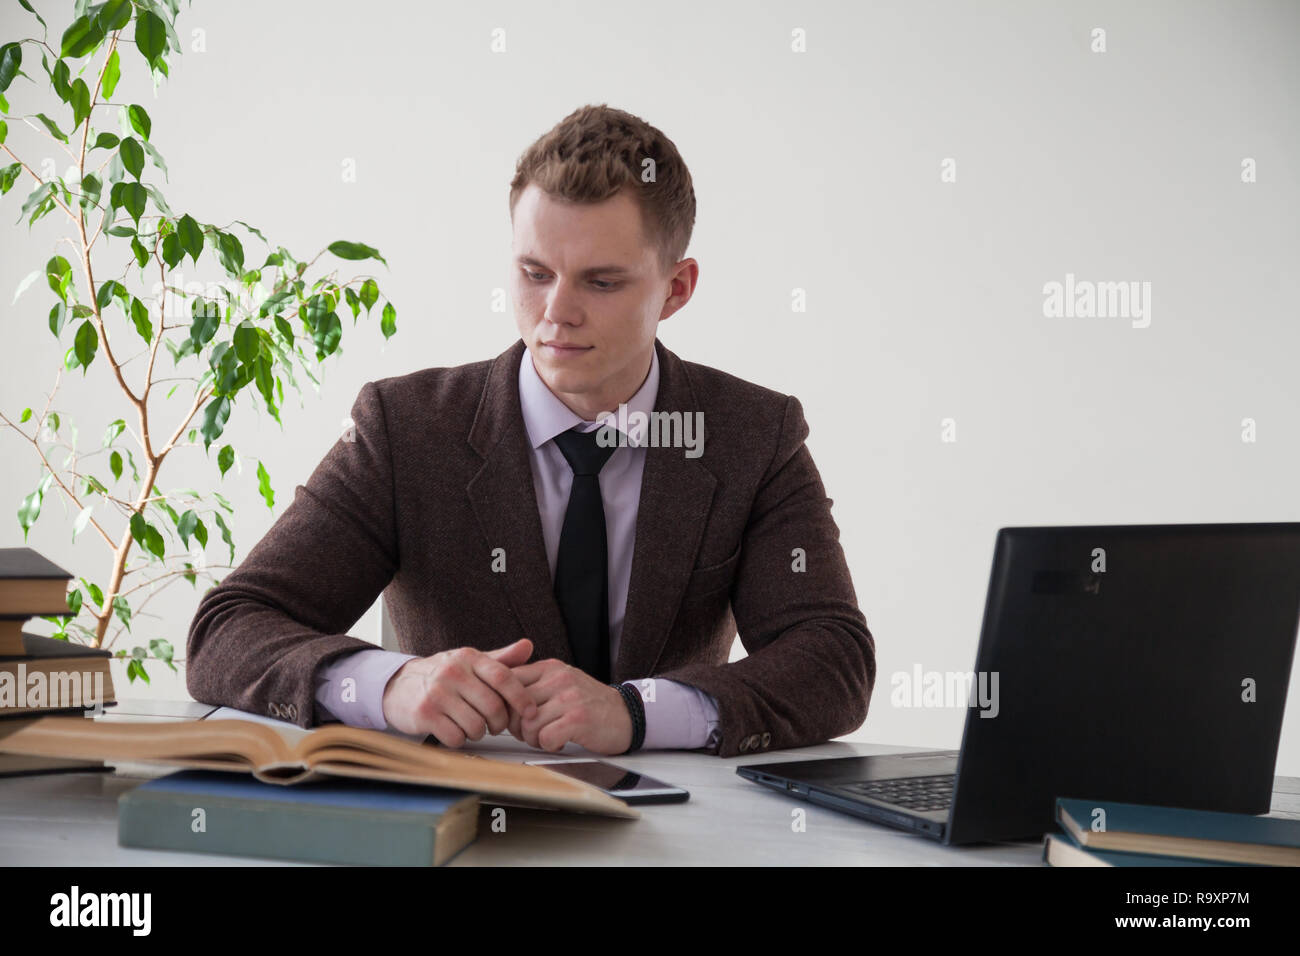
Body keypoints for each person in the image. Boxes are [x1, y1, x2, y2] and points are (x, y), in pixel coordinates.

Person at [186, 104, 876, 759]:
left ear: (677, 289)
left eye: (601, 283)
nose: (556, 313)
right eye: (534, 273)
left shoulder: (751, 434)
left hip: (677, 833)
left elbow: (834, 660)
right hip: (457, 822)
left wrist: (637, 712)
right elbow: (228, 630)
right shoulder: (405, 429)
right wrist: (390, 685)